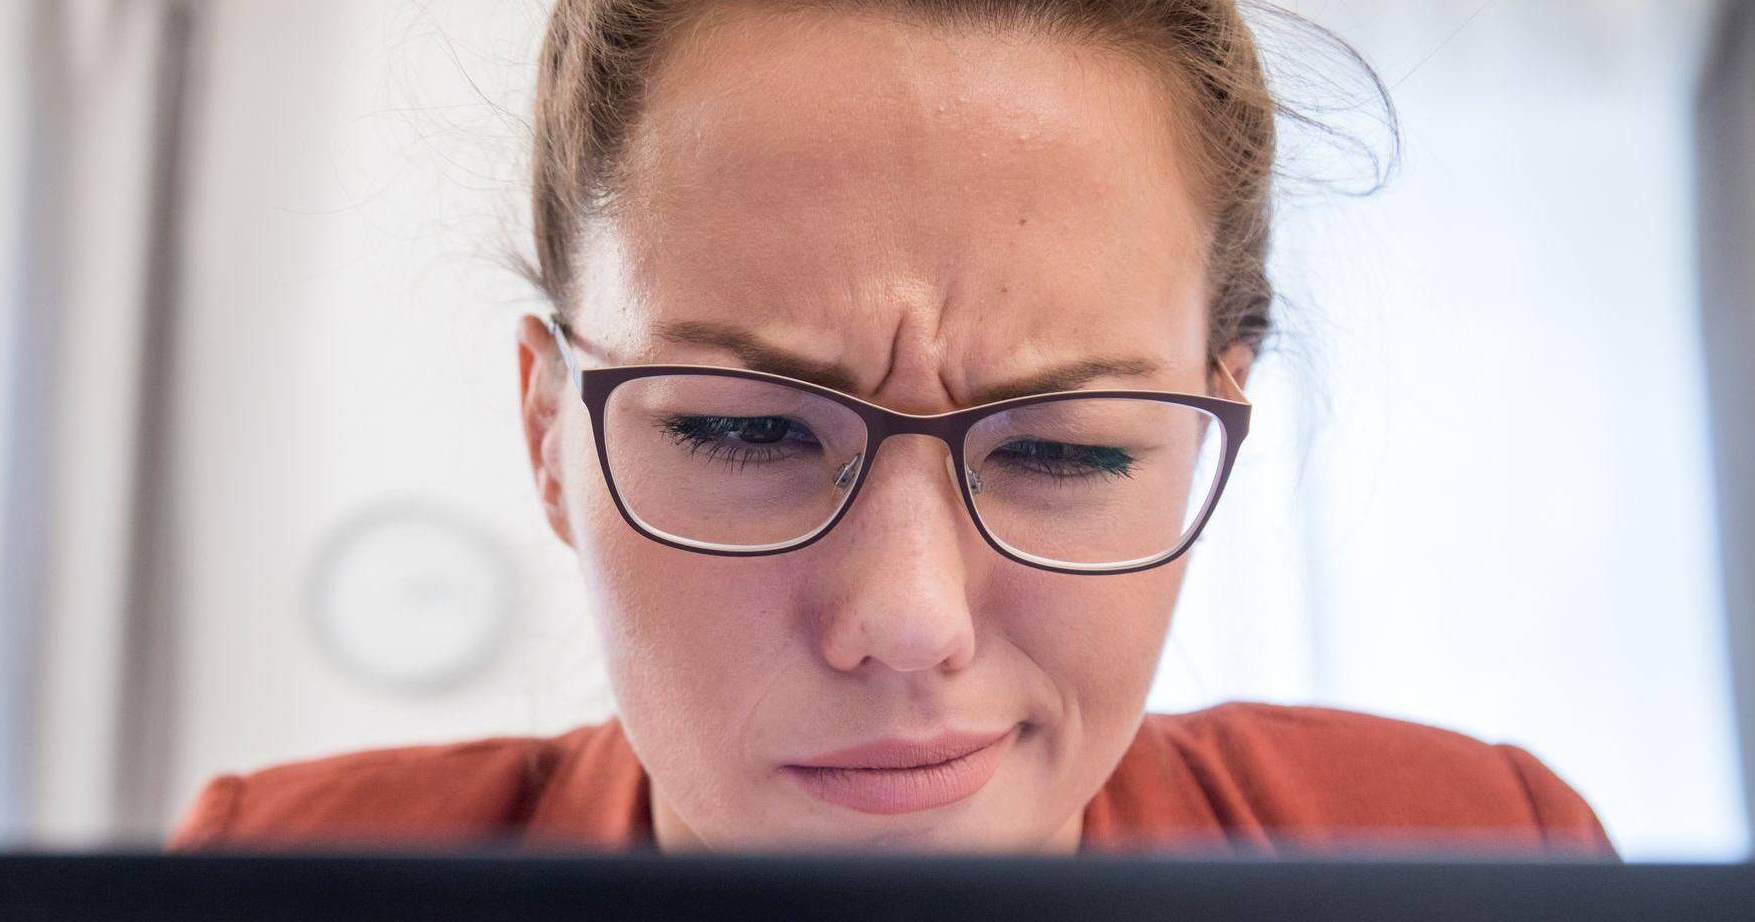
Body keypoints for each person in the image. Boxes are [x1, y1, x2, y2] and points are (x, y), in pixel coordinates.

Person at [169, 0, 1615, 857]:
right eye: (744, 433)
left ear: (1212, 422)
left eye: (1069, 450)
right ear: (549, 432)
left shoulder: (1479, 849)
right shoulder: (282, 875)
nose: (906, 619)